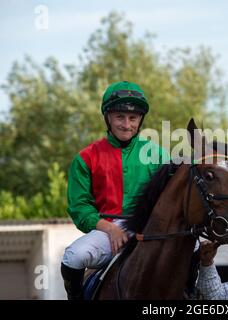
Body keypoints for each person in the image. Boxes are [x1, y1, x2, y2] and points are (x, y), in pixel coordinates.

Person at [60, 81, 169, 300]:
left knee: (197, 247)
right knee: (73, 256)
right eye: (120, 117)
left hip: (150, 227)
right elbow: (80, 208)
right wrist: (110, 229)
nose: (127, 124)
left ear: (140, 120)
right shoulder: (86, 158)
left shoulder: (159, 155)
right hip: (108, 229)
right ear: (107, 118)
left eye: (133, 118)